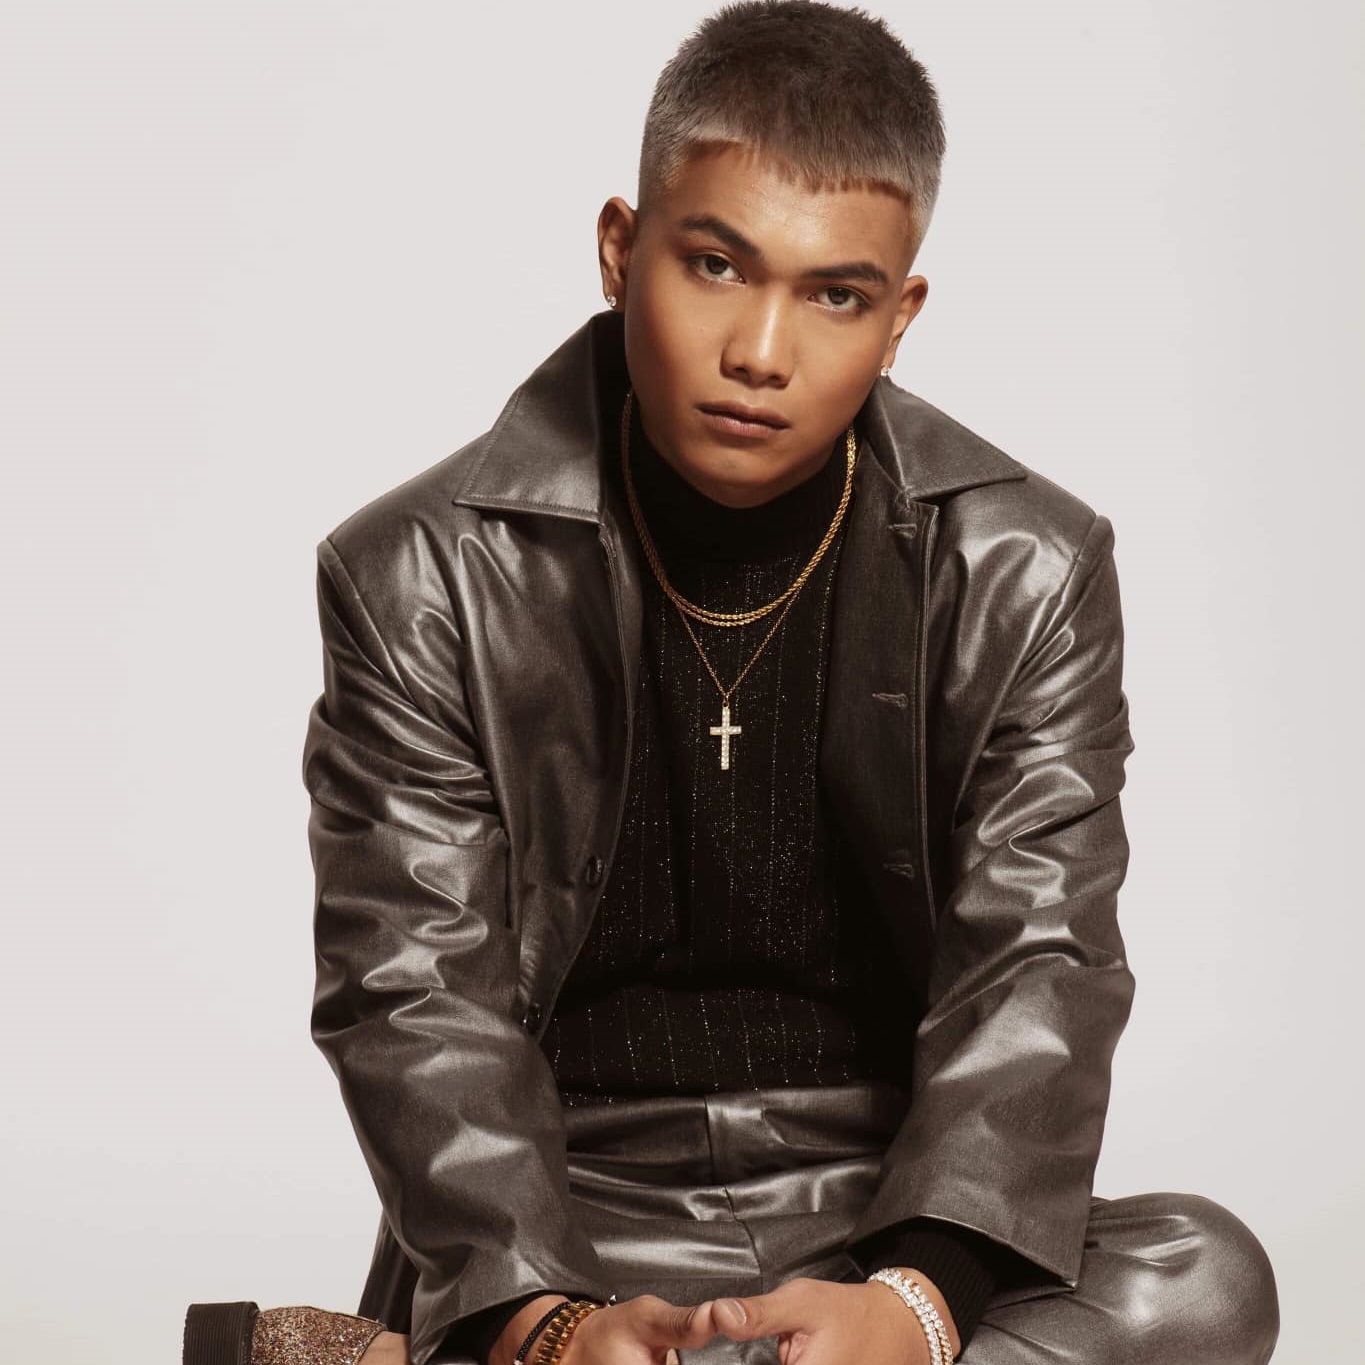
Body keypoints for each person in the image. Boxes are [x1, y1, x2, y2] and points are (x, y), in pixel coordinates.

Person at [183, 3, 1281, 1364]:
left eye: (835, 295)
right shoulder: (416, 574)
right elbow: (411, 990)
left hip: (884, 1198)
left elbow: (1042, 960)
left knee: (1203, 1280)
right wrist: (548, 1320)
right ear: (619, 249)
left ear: (899, 318)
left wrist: (917, 1306)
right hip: (566, 1212)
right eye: (715, 264)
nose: (761, 349)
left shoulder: (1027, 567)